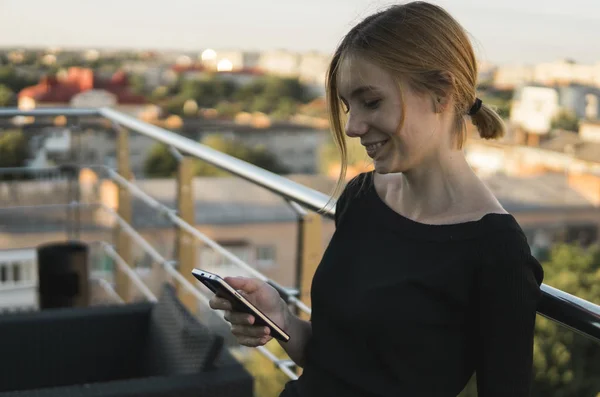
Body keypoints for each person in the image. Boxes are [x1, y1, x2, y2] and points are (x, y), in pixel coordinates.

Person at [209, 2, 544, 396]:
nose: (352, 127)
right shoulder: (362, 196)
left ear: (442, 93)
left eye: (371, 102)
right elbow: (336, 362)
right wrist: (281, 316)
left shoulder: (496, 251)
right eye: (349, 107)